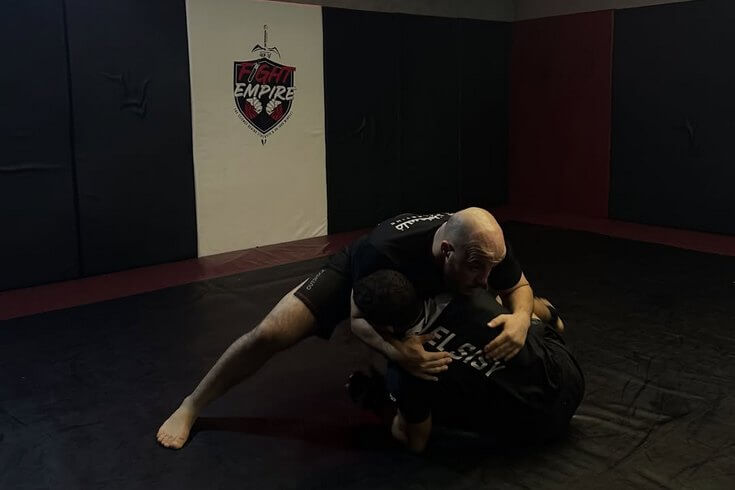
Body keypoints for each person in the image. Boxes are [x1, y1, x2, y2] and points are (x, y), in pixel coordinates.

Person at [157, 208, 535, 449]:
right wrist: (398, 352)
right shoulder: (386, 248)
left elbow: (517, 286)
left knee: (506, 309)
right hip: (359, 283)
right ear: (448, 250)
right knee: (271, 332)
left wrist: (520, 317)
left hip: (420, 295)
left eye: (491, 268)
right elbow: (358, 319)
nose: (486, 278)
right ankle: (192, 405)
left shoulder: (484, 244)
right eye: (477, 269)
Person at [351, 269, 584, 453]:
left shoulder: (409, 370)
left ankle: (385, 402)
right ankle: (547, 312)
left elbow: (416, 445)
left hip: (534, 431)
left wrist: (391, 412)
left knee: (413, 424)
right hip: (570, 382)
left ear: (386, 328)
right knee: (509, 310)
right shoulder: (466, 291)